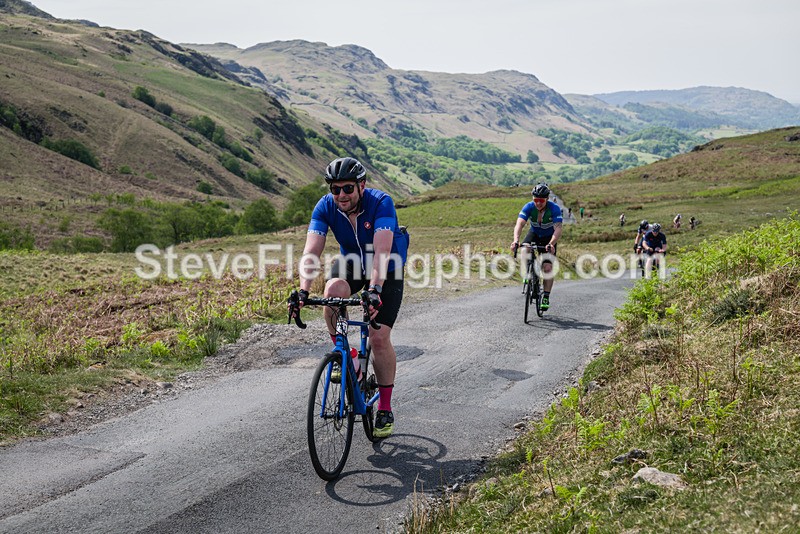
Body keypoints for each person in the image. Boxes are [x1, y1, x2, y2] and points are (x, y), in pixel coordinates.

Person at [295, 157, 409, 439]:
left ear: (362, 185)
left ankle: (384, 408)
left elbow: (382, 252)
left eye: (347, 188)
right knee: (332, 292)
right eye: (335, 189)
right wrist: (303, 291)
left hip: (387, 268)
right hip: (352, 263)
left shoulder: (381, 203)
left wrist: (375, 290)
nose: (341, 195)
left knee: (378, 337)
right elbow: (311, 252)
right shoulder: (325, 206)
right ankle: (347, 358)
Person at [511, 183, 563, 311]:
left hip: (549, 237)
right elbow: (519, 224)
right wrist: (516, 240)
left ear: (547, 199)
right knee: (525, 249)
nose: (538, 203)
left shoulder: (554, 208)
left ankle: (546, 296)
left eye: (541, 200)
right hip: (534, 233)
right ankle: (527, 273)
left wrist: (551, 243)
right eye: (536, 200)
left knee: (547, 268)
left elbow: (558, 229)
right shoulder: (529, 207)